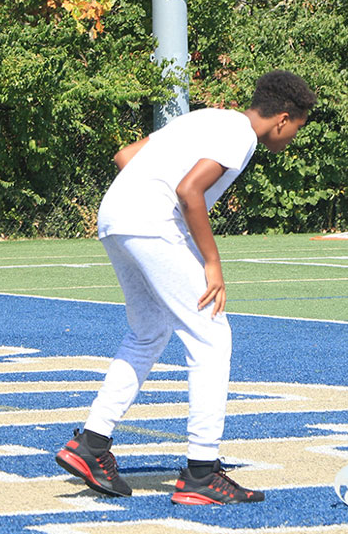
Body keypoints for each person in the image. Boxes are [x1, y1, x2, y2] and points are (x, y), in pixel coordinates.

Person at [55, 70, 316, 504]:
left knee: (148, 332)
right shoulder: (242, 136)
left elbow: (126, 156)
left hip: (116, 217)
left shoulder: (208, 118)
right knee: (212, 335)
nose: (289, 140)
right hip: (150, 224)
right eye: (295, 131)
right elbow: (189, 191)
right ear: (283, 119)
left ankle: (91, 444)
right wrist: (212, 263)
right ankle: (201, 473)